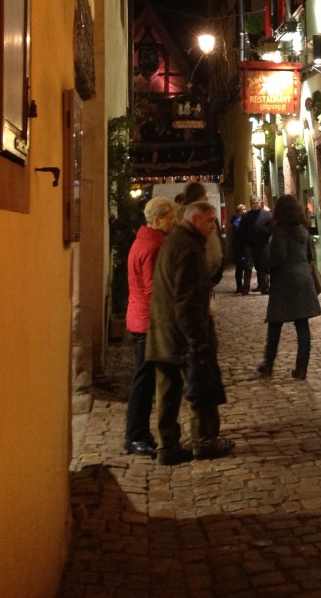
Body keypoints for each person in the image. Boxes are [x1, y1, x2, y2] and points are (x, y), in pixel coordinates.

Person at [146, 201, 235, 464]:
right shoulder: (189, 248)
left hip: (163, 331)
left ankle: (167, 446)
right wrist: (198, 339)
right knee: (200, 388)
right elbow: (186, 300)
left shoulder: (174, 242)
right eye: (209, 221)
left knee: (167, 391)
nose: (213, 227)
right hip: (181, 334)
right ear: (195, 220)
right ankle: (204, 441)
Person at [124, 196, 178, 457]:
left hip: (138, 318)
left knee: (144, 380)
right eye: (171, 217)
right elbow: (153, 288)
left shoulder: (141, 241)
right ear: (157, 220)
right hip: (148, 321)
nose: (175, 221)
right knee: (144, 382)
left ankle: (140, 433)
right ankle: (135, 436)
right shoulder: (154, 246)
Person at [257, 194, 321, 381]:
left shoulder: (280, 231)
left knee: (275, 325)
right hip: (303, 280)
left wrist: (265, 264)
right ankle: (301, 369)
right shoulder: (303, 230)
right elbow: (310, 255)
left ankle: (268, 365)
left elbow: (278, 256)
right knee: (302, 326)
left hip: (285, 282)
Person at [181, 181, 224, 283]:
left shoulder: (177, 216)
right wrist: (214, 276)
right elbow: (215, 253)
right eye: (205, 196)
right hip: (202, 275)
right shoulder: (205, 215)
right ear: (200, 197)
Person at [236, 195, 272, 294]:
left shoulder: (267, 215)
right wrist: (244, 241)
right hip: (250, 245)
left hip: (263, 244)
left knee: (262, 267)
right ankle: (246, 287)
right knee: (248, 267)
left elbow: (271, 228)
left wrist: (266, 236)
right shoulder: (246, 216)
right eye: (253, 203)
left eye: (257, 203)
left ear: (260, 203)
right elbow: (241, 230)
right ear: (250, 204)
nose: (255, 205)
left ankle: (264, 286)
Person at [231, 203, 248, 294]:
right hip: (239, 247)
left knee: (246, 267)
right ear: (238, 212)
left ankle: (245, 286)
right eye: (241, 210)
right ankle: (239, 286)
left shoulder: (246, 220)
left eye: (244, 209)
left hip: (245, 246)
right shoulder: (237, 221)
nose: (243, 211)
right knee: (239, 268)